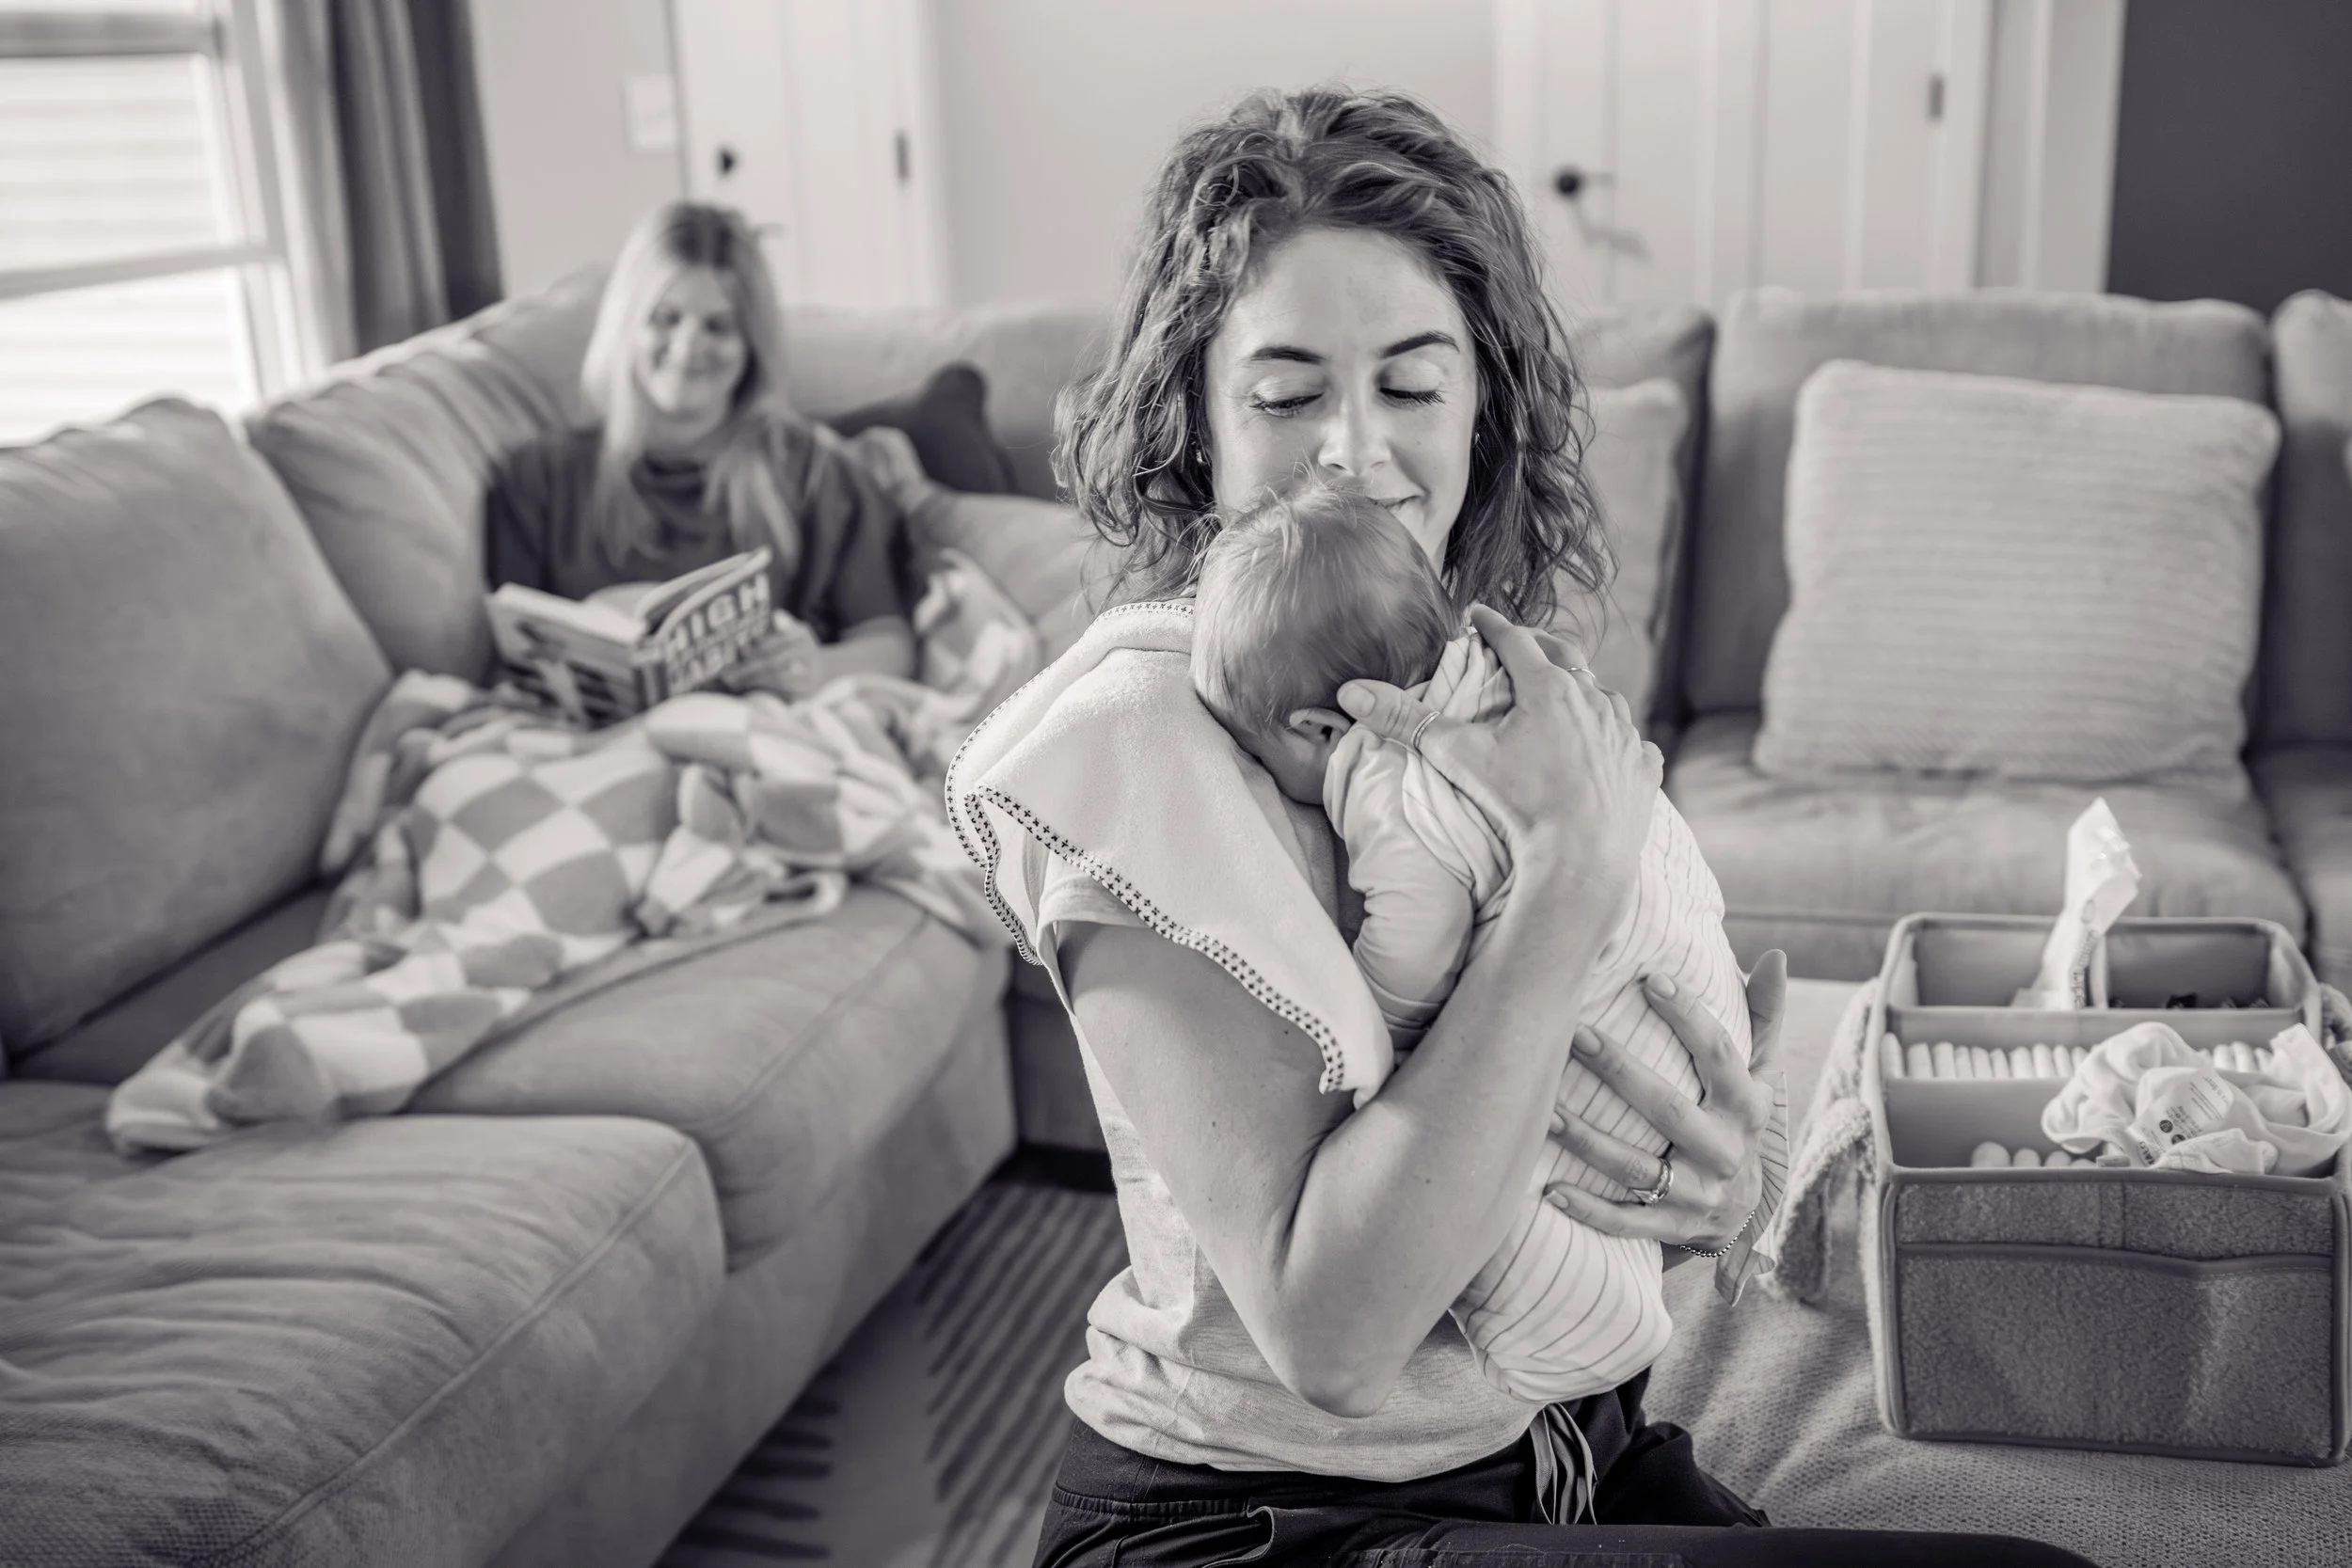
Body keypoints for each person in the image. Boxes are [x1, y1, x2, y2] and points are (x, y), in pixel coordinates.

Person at [980, 87, 2098, 1566]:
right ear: (1195, 412)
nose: (1353, 451)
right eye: (1287, 391)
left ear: (1484, 408)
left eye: (1413, 385)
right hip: (1263, 1520)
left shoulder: (1468, 680)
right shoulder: (1132, 747)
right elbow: (1335, 1327)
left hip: (1569, 1453)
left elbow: (1611, 1075)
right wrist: (1564, 880)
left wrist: (1719, 1171)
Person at [1188, 475, 1755, 1407]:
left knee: (1529, 1206)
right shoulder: (1518, 679)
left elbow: (1421, 925)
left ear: (1320, 725)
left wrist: (1379, 1021)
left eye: (1261, 754)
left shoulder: (1382, 773)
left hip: (1616, 976)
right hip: (1680, 956)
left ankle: (1588, 1339)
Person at [484, 200, 914, 700]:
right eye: (665, 319)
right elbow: (505, 656)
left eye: (718, 326)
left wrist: (814, 667)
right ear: (627, 327)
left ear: (751, 343)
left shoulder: (816, 473)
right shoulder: (538, 478)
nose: (688, 347)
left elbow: (891, 645)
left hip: (765, 733)